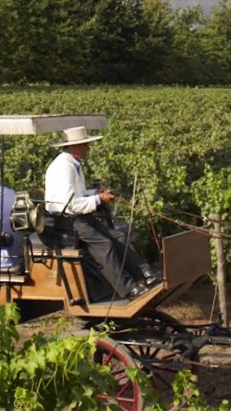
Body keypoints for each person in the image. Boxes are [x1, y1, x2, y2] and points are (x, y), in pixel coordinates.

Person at [45, 126, 160, 299]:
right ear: (74, 147)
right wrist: (99, 199)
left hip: (79, 216)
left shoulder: (73, 163)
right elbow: (70, 205)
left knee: (119, 237)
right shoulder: (64, 167)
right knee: (104, 245)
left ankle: (146, 274)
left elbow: (79, 196)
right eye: (85, 145)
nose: (88, 148)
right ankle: (128, 289)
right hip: (67, 221)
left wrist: (96, 194)